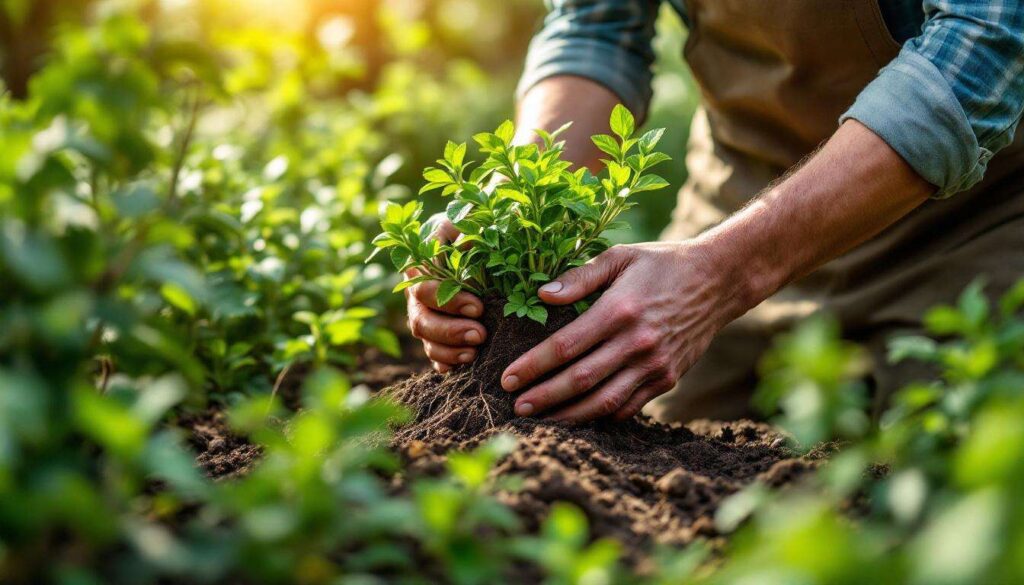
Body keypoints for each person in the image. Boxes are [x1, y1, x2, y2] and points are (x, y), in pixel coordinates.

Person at [403, 0, 1024, 423]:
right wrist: (511, 208)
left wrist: (722, 274)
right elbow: (595, 29)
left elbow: (981, 50)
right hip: (739, 196)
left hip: (971, 223)